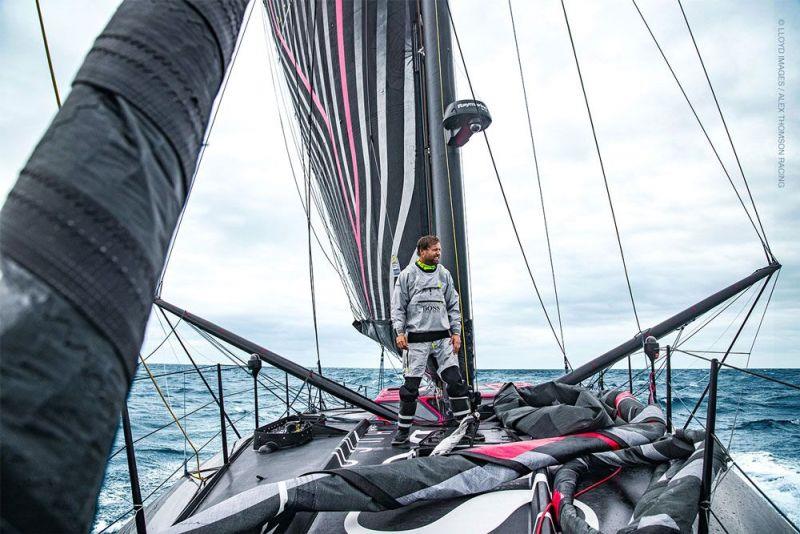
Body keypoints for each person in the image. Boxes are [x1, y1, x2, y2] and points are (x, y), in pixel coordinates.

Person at [390, 235, 472, 446]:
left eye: (439, 250)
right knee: (410, 388)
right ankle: (402, 432)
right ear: (422, 251)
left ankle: (466, 428)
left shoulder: (444, 274)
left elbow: (453, 305)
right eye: (434, 250)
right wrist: (399, 332)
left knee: (455, 382)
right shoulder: (408, 275)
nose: (438, 253)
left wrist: (456, 333)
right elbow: (398, 306)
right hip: (416, 340)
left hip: (442, 338)